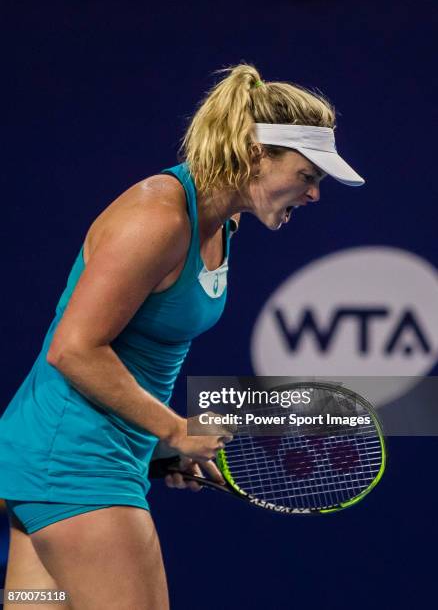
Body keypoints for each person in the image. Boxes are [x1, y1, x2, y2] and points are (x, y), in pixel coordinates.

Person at [0, 63, 364, 609]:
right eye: (308, 176)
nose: (313, 195)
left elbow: (132, 349)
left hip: (61, 466)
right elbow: (73, 349)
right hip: (76, 466)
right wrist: (173, 428)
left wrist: (156, 450)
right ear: (254, 155)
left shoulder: (222, 223)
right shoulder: (158, 217)